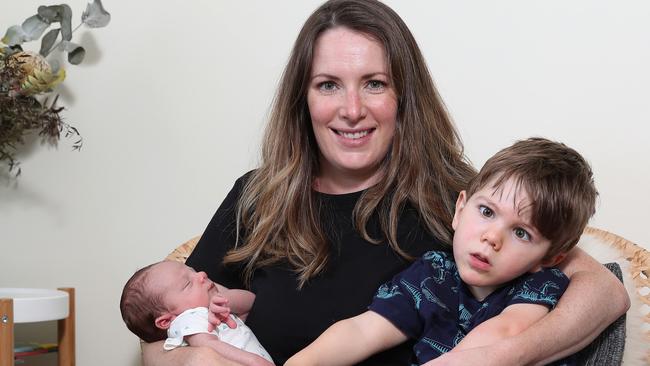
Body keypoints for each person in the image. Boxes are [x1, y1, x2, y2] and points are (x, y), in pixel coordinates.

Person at [142, 0, 629, 365]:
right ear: (303, 100)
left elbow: (604, 291)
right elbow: (154, 330)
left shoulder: (457, 200)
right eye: (328, 84)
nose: (352, 110)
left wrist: (509, 353)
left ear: (403, 96)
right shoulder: (258, 197)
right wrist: (192, 358)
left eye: (374, 83)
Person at [286, 137, 596, 365]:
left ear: (549, 258)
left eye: (520, 233)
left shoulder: (541, 285)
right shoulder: (434, 273)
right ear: (460, 209)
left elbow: (504, 332)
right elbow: (362, 330)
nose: (492, 237)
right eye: (487, 212)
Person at [120, 261, 274, 366]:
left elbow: (251, 303)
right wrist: (254, 362)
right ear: (166, 321)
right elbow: (209, 347)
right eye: (187, 283)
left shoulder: (208, 310)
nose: (202, 274)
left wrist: (224, 299)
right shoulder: (187, 319)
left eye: (193, 271)